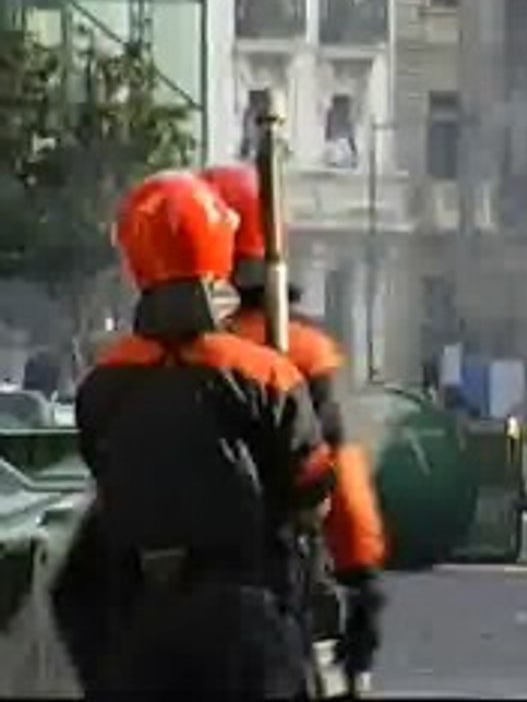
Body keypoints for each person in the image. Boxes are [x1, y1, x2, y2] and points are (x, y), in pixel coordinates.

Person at [50, 170, 335, 698]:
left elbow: (106, 475)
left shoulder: (102, 384)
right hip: (248, 624)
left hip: (142, 623)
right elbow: (313, 492)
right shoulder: (268, 375)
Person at [200, 164, 387, 690]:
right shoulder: (302, 354)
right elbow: (340, 476)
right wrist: (362, 582)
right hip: (271, 593)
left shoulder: (136, 364)